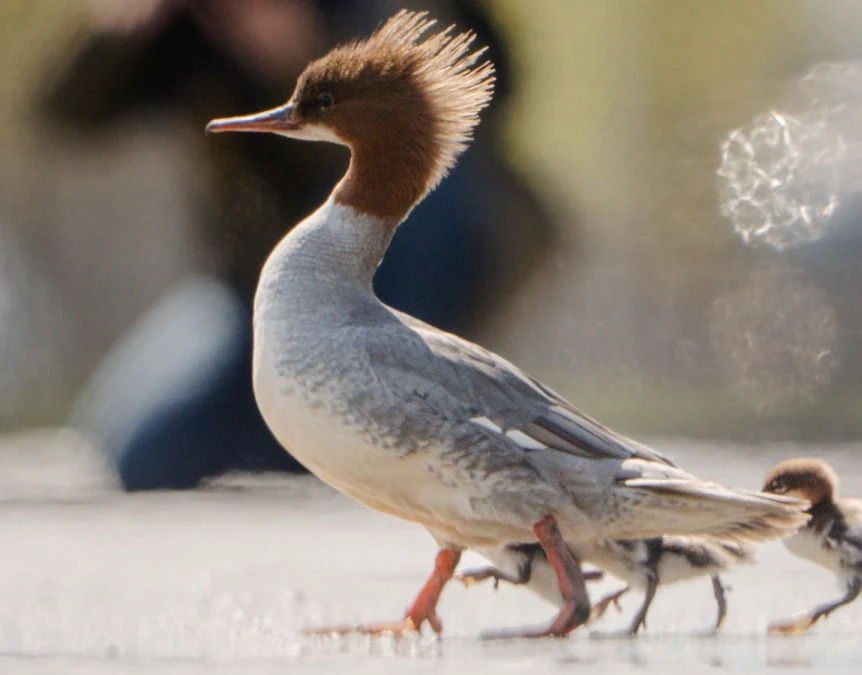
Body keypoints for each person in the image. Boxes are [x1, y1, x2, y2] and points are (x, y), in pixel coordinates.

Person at [42, 0, 558, 490]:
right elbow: (66, 113)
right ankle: (313, 450)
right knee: (140, 451)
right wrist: (119, 34)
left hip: (401, 264)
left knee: (440, 205)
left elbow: (486, 86)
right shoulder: (186, 28)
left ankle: (390, 419)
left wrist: (306, 55)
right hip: (254, 287)